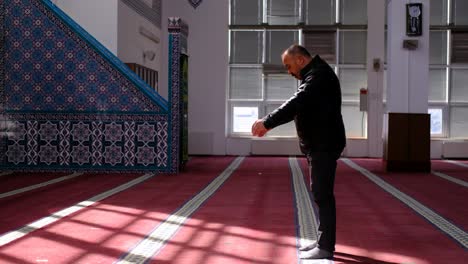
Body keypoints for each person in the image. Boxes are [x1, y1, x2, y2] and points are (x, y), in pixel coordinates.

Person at [251, 44, 346, 260]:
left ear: (301, 60)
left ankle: (326, 247)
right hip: (320, 143)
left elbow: (297, 103)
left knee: (322, 194)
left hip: (324, 144)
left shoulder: (318, 77)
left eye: (288, 66)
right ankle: (323, 241)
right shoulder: (316, 74)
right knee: (320, 193)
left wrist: (267, 122)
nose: (288, 71)